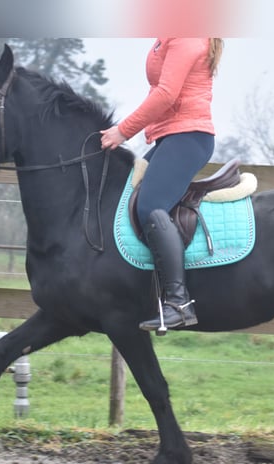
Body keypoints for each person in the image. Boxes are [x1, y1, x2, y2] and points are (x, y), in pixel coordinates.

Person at [101, 38, 223, 333]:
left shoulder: (187, 35)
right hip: (171, 136)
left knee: (150, 206)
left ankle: (179, 304)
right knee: (129, 194)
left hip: (189, 137)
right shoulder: (169, 35)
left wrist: (123, 130)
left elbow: (166, 94)